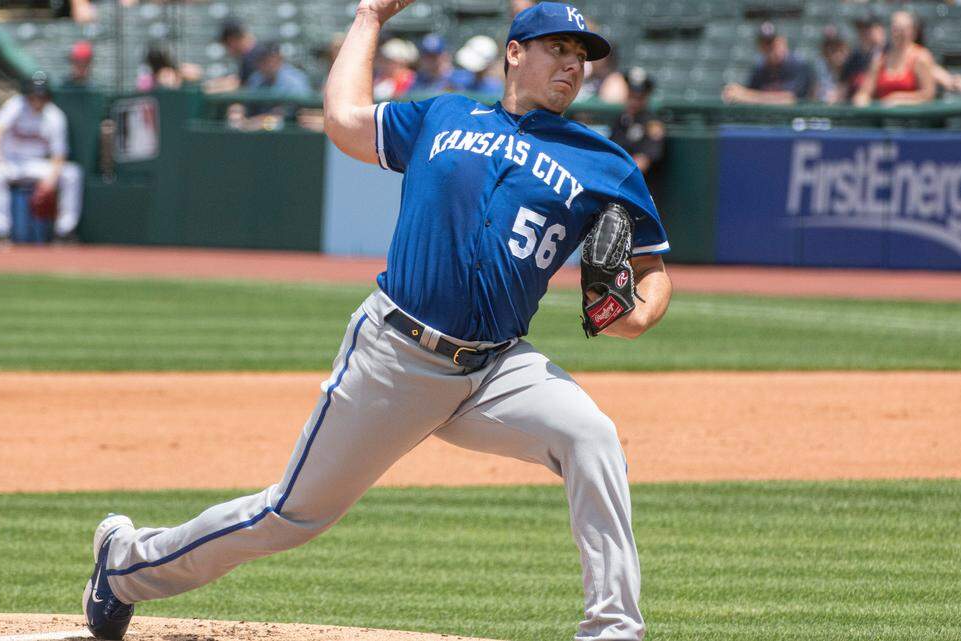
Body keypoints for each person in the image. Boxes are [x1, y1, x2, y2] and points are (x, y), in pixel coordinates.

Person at [82, 4, 672, 641]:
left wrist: (637, 317)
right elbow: (343, 122)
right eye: (558, 48)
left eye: (581, 56)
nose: (572, 64)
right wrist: (368, 18)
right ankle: (123, 567)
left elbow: (653, 270)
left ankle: (613, 629)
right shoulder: (444, 114)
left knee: (592, 436)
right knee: (290, 515)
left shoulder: (602, 162)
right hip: (396, 354)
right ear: (514, 53)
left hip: (499, 367)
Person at [0, 72, 82, 243]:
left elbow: (59, 154)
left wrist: (50, 181)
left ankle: (64, 232)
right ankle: (0, 232)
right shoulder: (16, 106)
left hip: (39, 166)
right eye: (35, 94)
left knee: (72, 173)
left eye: (41, 94)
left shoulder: (55, 116)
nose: (38, 98)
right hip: (12, 163)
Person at [853, 10, 936, 106]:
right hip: (883, 117)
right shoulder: (881, 59)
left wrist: (899, 99)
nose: (898, 33)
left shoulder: (921, 57)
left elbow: (928, 95)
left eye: (903, 28)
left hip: (913, 119)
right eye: (895, 28)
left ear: (913, 31)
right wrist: (861, 99)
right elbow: (864, 92)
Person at [722, 22, 817, 105]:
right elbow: (752, 92)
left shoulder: (799, 66)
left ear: (783, 41)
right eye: (765, 44)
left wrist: (746, 95)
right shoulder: (759, 69)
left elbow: (788, 100)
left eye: (773, 43)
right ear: (759, 47)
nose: (770, 48)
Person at [609, 67, 664, 180]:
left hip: (641, 187)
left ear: (646, 98)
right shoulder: (621, 119)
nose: (633, 102)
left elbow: (643, 162)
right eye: (631, 96)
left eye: (638, 98)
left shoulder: (652, 123)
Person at [205, 18, 267, 92]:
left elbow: (244, 88)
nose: (227, 50)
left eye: (226, 45)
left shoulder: (256, 56)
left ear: (232, 40)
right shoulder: (251, 54)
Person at [246, 42, 312, 94]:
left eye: (271, 60)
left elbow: (303, 108)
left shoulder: (294, 79)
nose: (268, 65)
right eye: (262, 61)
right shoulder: (256, 78)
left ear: (280, 59)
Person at [817, 26, 849, 104]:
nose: (838, 54)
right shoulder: (820, 70)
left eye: (840, 50)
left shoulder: (853, 71)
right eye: (833, 50)